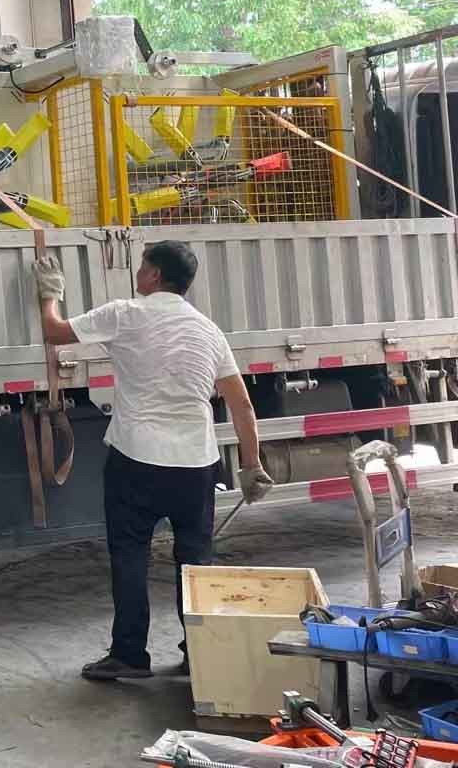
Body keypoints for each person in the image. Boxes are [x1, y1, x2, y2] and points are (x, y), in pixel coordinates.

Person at [32, 240, 273, 681]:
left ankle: (129, 655)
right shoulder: (209, 331)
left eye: (142, 266)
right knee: (196, 562)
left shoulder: (125, 314)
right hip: (196, 464)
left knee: (130, 554)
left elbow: (55, 331)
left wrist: (50, 291)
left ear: (155, 275)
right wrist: (251, 465)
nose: (138, 273)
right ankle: (198, 654)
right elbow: (241, 405)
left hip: (137, 460)